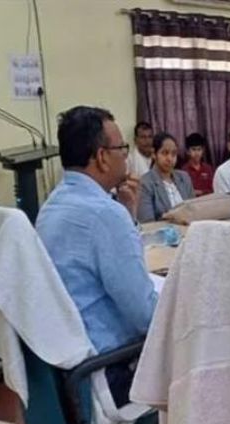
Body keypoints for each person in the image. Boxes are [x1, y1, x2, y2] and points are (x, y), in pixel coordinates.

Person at [36, 106, 157, 356]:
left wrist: (128, 213)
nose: (125, 156)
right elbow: (146, 316)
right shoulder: (105, 214)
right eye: (122, 149)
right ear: (102, 157)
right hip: (113, 362)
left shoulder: (51, 205)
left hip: (68, 356)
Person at [137, 132, 195, 223]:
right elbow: (147, 223)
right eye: (165, 153)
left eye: (174, 154)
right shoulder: (144, 183)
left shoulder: (184, 178)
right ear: (153, 154)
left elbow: (194, 212)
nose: (170, 158)